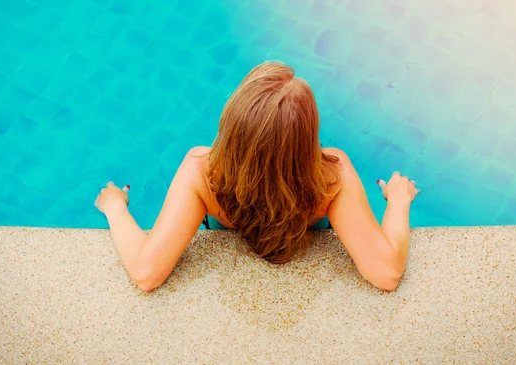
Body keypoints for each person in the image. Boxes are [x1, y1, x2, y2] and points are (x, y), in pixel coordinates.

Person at [94, 61, 419, 292]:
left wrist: (115, 208)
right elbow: (387, 272)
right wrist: (399, 200)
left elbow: (146, 271)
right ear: (307, 138)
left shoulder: (203, 171)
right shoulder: (331, 176)